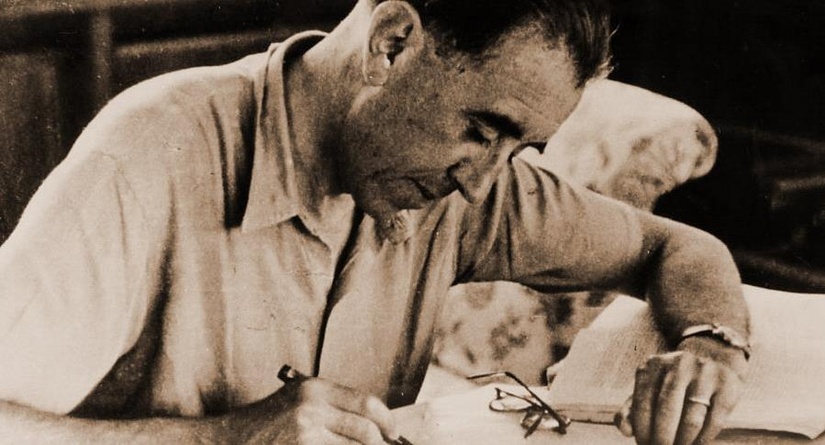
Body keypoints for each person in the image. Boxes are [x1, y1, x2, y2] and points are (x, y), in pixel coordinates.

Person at [0, 0, 750, 444]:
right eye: (481, 129)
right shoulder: (149, 151)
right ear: (391, 43)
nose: (481, 182)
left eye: (520, 149)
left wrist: (709, 345)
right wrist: (220, 439)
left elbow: (678, 248)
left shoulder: (464, 187)